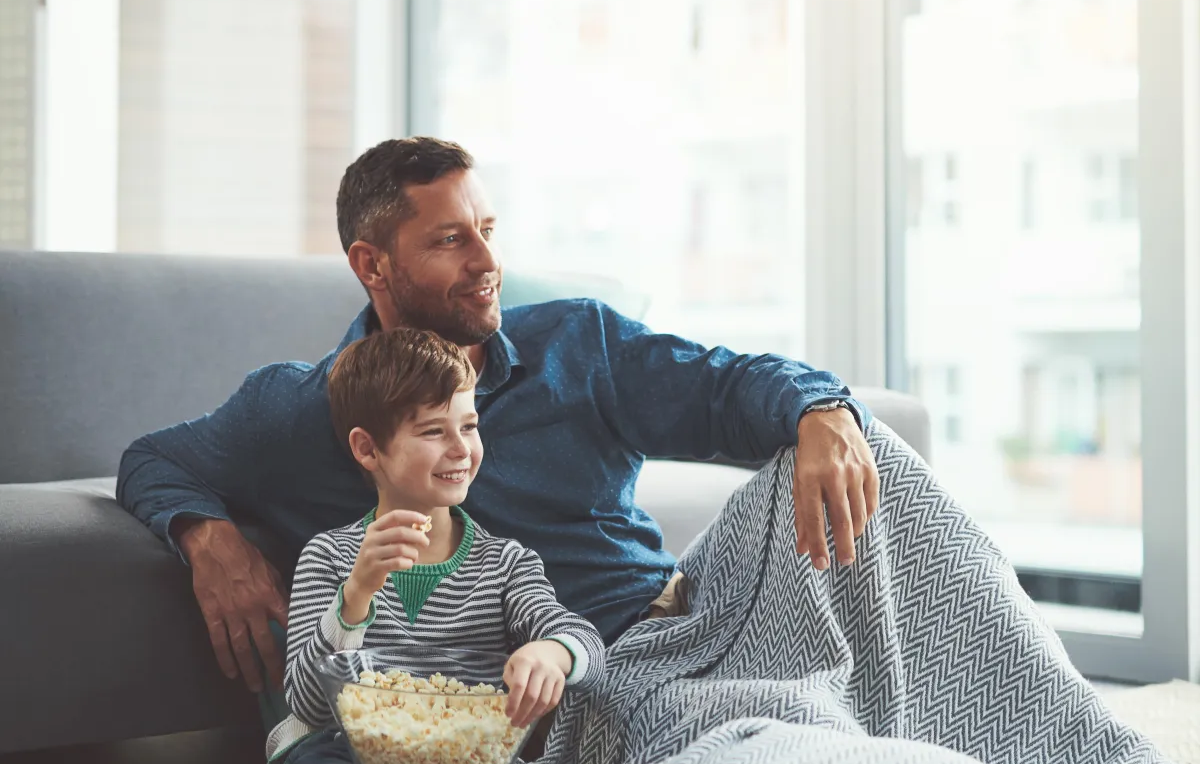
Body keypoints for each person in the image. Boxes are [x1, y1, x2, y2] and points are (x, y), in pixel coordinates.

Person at [117, 136, 880, 727]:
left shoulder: (579, 343)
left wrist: (822, 412)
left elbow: (729, 386)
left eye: (486, 230)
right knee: (773, 738)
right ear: (371, 266)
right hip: (546, 698)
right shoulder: (301, 410)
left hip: (680, 621)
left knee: (884, 465)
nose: (489, 263)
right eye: (451, 240)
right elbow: (155, 460)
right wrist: (210, 541)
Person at [270, 325, 606, 764]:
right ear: (367, 449)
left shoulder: (505, 563)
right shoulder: (331, 556)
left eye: (468, 426)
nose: (460, 449)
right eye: (433, 431)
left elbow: (583, 640)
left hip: (466, 757)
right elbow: (307, 705)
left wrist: (554, 652)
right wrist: (356, 595)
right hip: (342, 754)